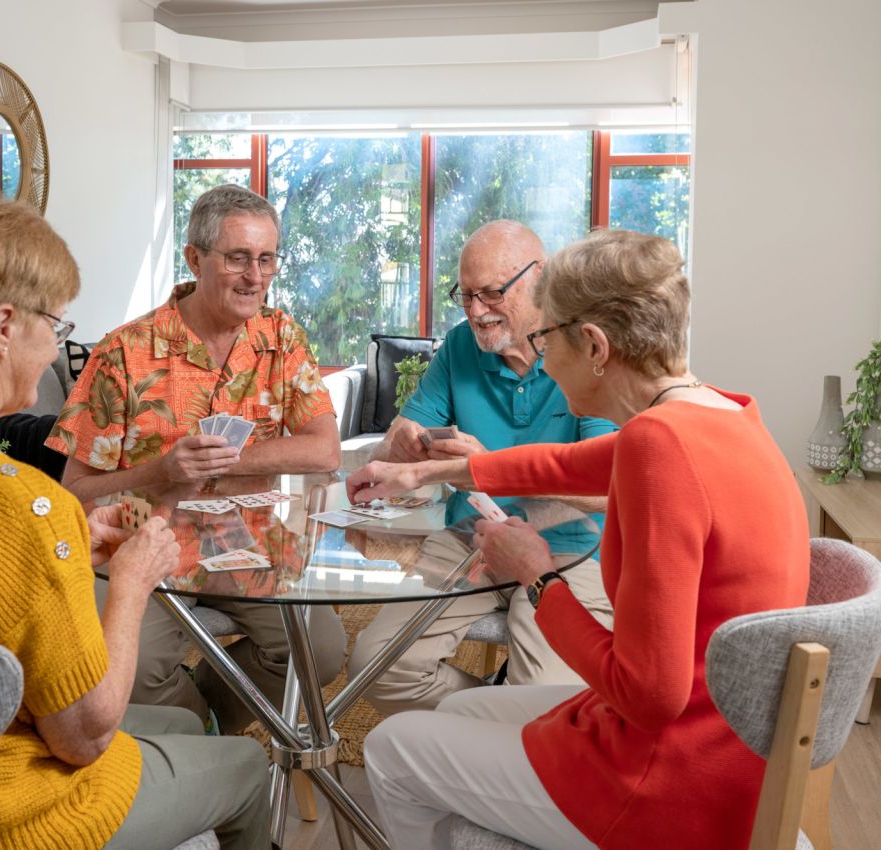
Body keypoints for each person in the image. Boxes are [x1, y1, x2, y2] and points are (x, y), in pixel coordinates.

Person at [347, 229, 810, 850]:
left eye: (546, 337)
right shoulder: (715, 414)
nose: (541, 356)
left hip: (665, 779)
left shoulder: (661, 450)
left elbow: (650, 697)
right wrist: (421, 473)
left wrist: (538, 578)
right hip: (704, 749)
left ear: (593, 345)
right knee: (456, 713)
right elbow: (559, 466)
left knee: (389, 748)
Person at [0, 195, 270, 850]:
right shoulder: (25, 506)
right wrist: (133, 581)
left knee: (178, 727)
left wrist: (66, 544)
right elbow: (84, 735)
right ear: (3, 326)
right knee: (250, 764)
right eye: (55, 326)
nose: (52, 349)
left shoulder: (24, 516)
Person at [46, 184, 346, 733]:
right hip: (146, 548)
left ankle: (210, 728)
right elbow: (71, 494)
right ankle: (201, 733)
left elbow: (324, 450)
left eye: (266, 258)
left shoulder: (281, 337)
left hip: (252, 545)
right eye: (237, 258)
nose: (255, 276)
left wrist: (225, 461)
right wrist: (162, 471)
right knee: (135, 671)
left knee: (321, 650)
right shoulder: (123, 353)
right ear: (194, 258)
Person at [347, 220, 617, 712]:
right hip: (471, 539)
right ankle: (496, 711)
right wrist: (400, 445)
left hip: (572, 548)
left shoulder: (586, 349)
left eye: (492, 293)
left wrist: (492, 466)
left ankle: (510, 715)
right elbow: (393, 445)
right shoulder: (459, 347)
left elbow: (605, 487)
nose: (475, 310)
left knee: (546, 703)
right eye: (465, 295)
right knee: (375, 668)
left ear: (540, 277)